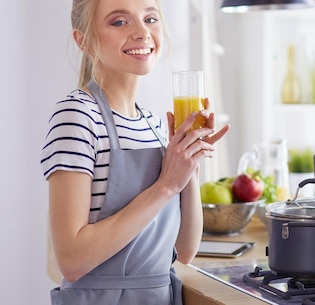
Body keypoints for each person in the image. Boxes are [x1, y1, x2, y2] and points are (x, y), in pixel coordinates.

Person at [40, 0, 230, 304]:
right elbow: (72, 261)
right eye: (119, 22)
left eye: (150, 18)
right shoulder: (77, 116)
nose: (143, 32)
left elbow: (184, 250)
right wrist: (166, 185)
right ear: (83, 41)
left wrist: (188, 164)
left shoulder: (152, 124)